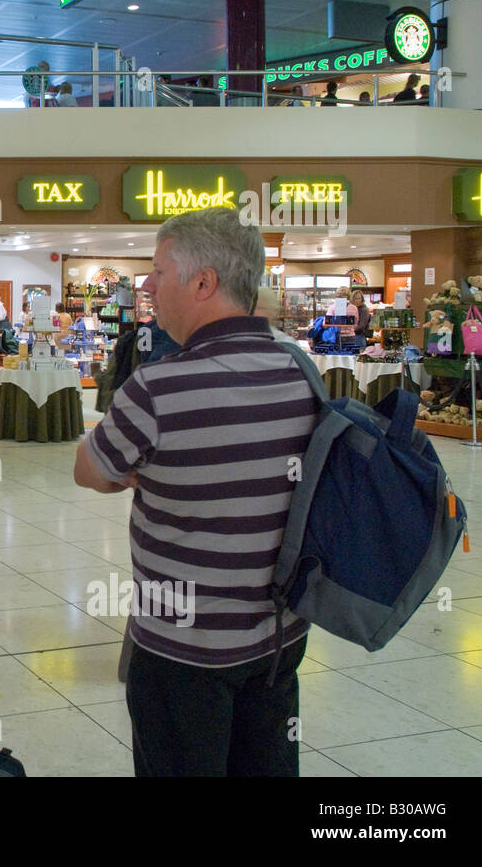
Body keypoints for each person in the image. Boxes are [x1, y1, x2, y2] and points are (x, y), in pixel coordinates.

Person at [75, 207, 320, 776]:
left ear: (204, 283)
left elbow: (91, 469)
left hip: (178, 651)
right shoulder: (301, 370)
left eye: (159, 271)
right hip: (277, 641)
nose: (146, 286)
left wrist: (140, 468)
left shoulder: (158, 387)